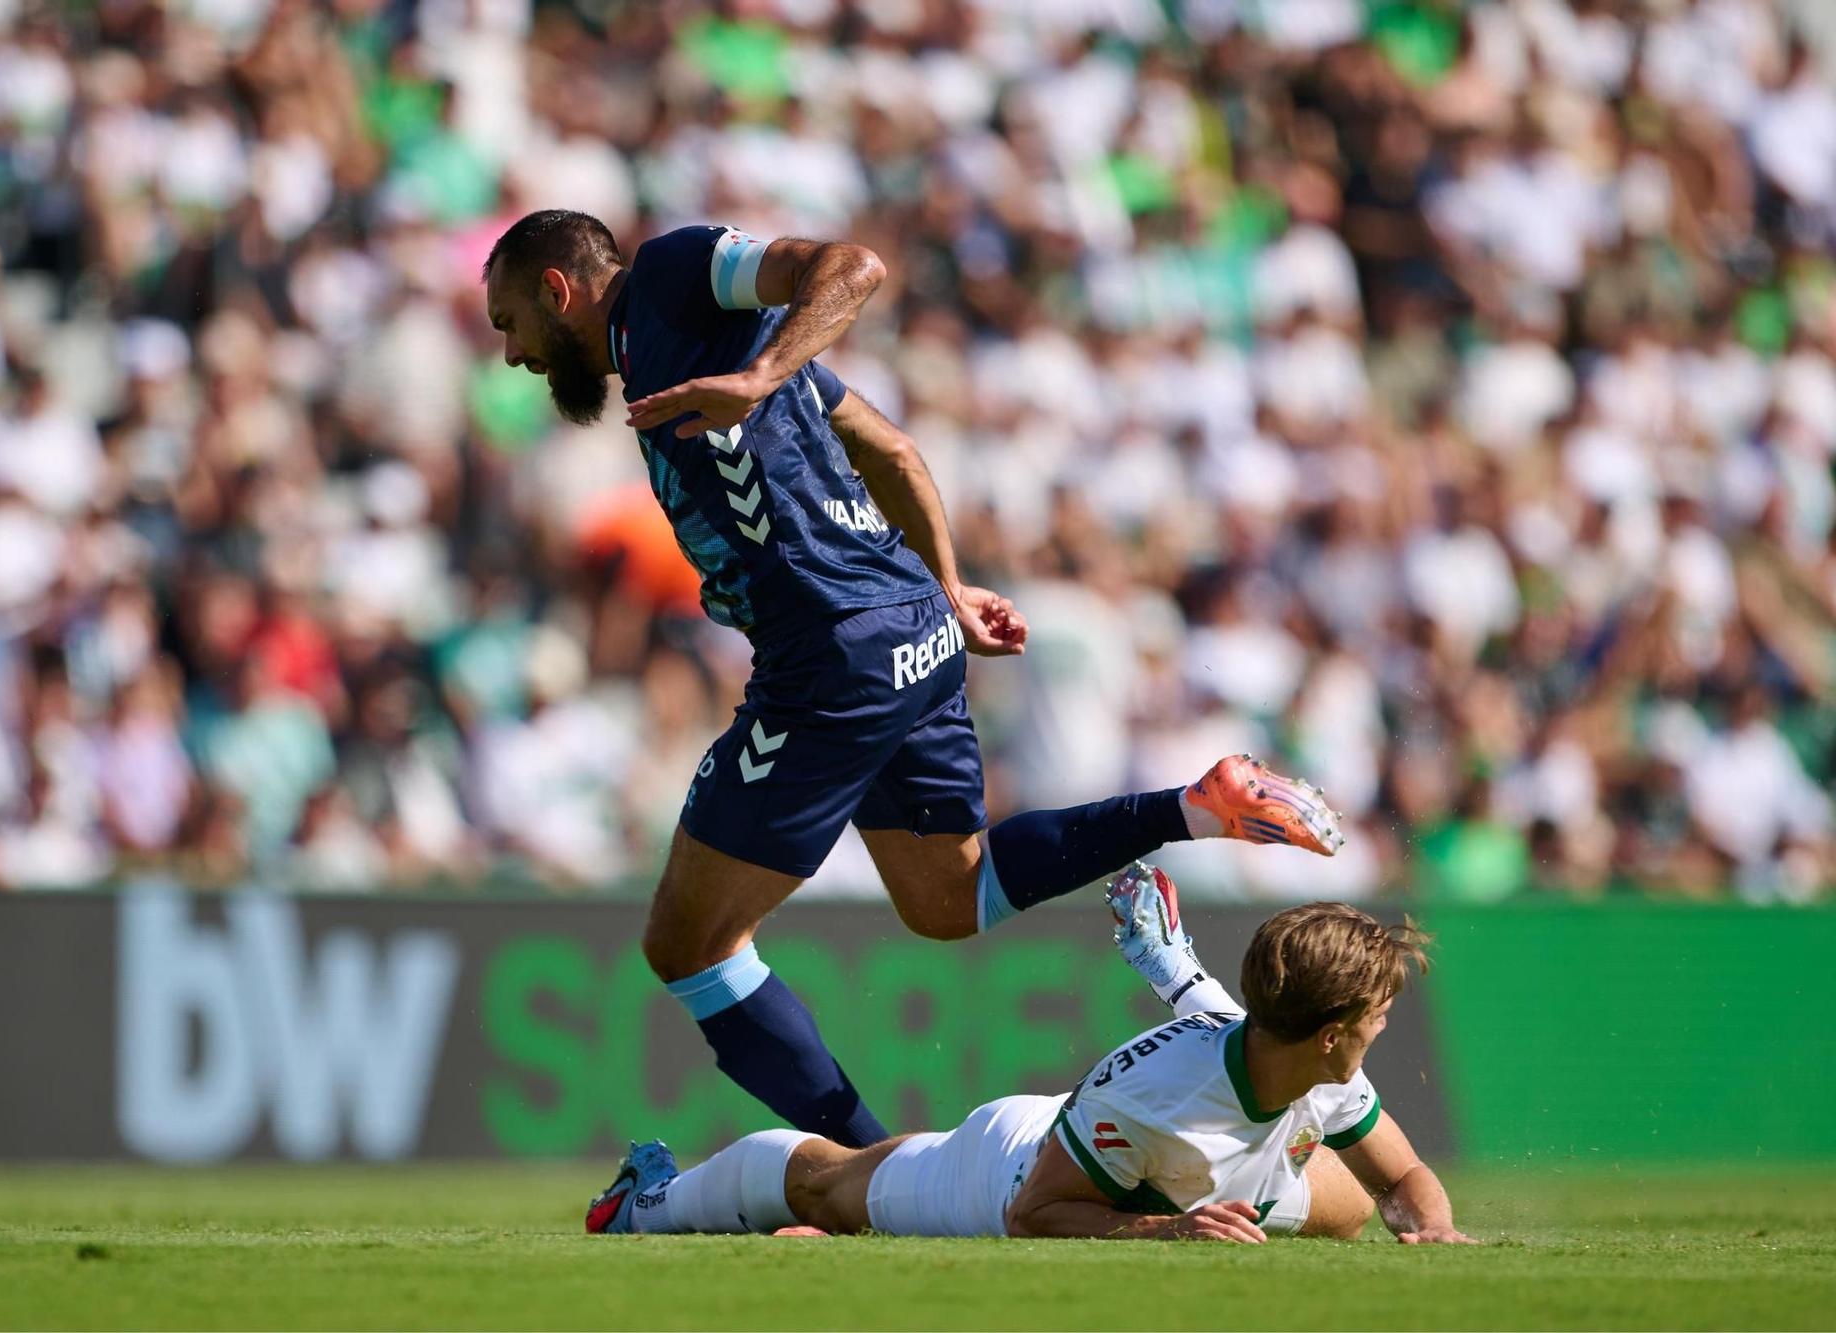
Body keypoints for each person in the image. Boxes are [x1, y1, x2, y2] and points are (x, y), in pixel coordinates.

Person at [480, 210, 1346, 1148]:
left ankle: (865, 1163)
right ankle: (1199, 805)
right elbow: (892, 450)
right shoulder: (719, 347)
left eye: (509, 325)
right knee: (950, 900)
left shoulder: (677, 279)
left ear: (557, 291)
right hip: (911, 627)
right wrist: (951, 589)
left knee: (684, 942)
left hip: (832, 653)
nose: (514, 355)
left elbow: (855, 264)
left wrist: (757, 379)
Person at [587, 863, 1475, 1245]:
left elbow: (1404, 1179)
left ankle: (1176, 969)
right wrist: (1168, 1230)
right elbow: (1037, 1214)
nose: (1388, 1020)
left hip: (1215, 1163)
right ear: (1330, 1031)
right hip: (1017, 1169)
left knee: (1356, 1206)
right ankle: (646, 1204)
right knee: (830, 1183)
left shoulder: (1327, 1069)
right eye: (1381, 1008)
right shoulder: (1154, 1095)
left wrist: (1430, 1226)